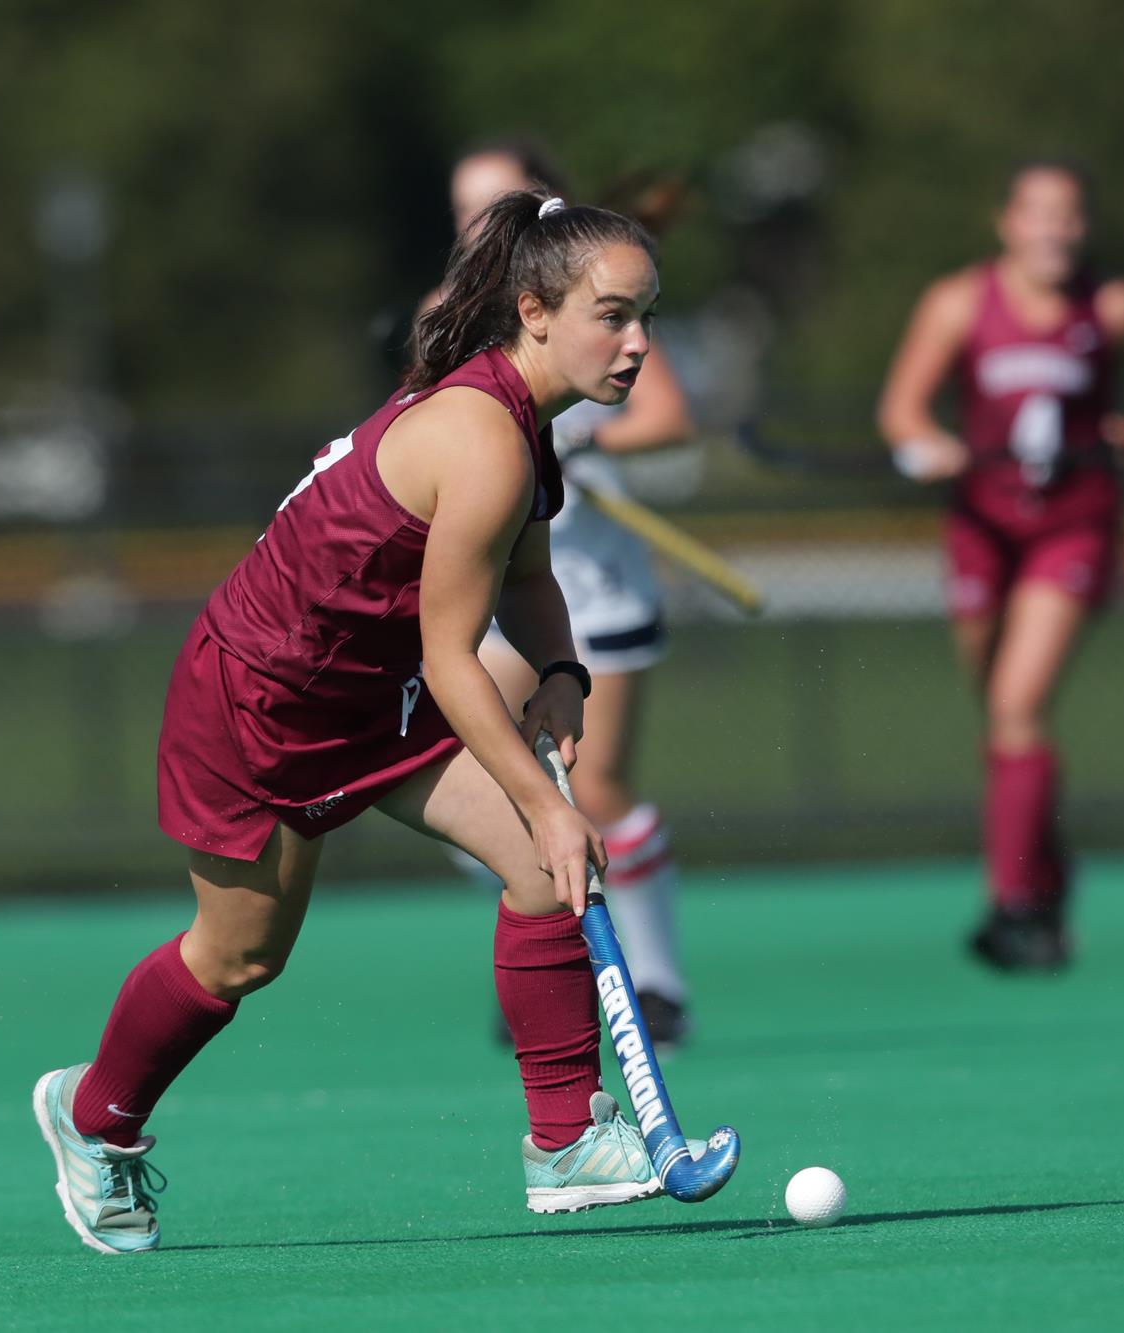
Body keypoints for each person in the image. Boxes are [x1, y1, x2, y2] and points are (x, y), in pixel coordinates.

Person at [36, 190, 701, 1256]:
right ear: (533, 310)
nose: (637, 345)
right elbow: (449, 656)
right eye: (613, 315)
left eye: (648, 318)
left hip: (368, 692)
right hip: (260, 700)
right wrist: (548, 800)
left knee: (542, 867)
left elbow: (526, 577)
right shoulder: (481, 440)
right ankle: (93, 1118)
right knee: (239, 959)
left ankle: (566, 1143)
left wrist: (565, 669)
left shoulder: (524, 427)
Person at [876, 160, 1124, 970]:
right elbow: (903, 410)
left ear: (1084, 227)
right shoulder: (957, 302)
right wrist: (929, 448)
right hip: (981, 527)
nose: (1054, 230)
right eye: (1039, 214)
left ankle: (1013, 903)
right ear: (1007, 222)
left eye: (1069, 216)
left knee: (1018, 704)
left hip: (1075, 526)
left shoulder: (1116, 305)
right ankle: (1050, 878)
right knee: (999, 711)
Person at [447, 142, 700, 1042]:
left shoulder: (601, 302)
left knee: (597, 788)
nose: (481, 224)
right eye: (467, 207)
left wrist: (587, 446)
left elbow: (667, 416)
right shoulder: (454, 315)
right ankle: (556, 960)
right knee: (494, 795)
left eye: (497, 203)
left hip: (592, 592)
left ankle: (657, 984)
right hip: (491, 607)